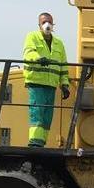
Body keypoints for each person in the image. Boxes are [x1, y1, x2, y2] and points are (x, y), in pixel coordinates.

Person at [22, 12, 70, 147]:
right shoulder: (32, 37)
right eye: (44, 22)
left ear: (53, 24)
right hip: (37, 82)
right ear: (39, 25)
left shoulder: (58, 43)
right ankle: (35, 143)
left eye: (49, 21)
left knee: (47, 117)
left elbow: (63, 65)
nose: (46, 24)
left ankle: (41, 142)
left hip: (51, 85)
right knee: (37, 113)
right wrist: (38, 59)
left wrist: (65, 84)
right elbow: (28, 53)